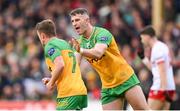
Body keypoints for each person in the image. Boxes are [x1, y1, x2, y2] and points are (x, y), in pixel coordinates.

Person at [69, 8, 149, 110]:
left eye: (77, 20)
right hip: (108, 86)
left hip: (125, 79)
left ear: (87, 20)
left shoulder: (102, 33)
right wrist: (56, 78)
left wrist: (81, 50)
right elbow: (73, 66)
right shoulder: (78, 43)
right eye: (72, 21)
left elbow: (98, 53)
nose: (74, 24)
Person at [35, 19, 87, 110]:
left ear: (42, 36)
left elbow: (60, 65)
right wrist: (53, 80)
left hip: (68, 93)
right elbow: (67, 69)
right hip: (80, 91)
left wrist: (50, 83)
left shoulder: (49, 45)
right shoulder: (63, 43)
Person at [138, 25, 176, 110]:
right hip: (169, 87)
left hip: (160, 87)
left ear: (147, 36)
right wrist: (143, 58)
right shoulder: (162, 46)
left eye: (142, 38)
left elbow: (162, 70)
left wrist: (163, 89)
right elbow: (157, 70)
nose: (142, 41)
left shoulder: (157, 49)